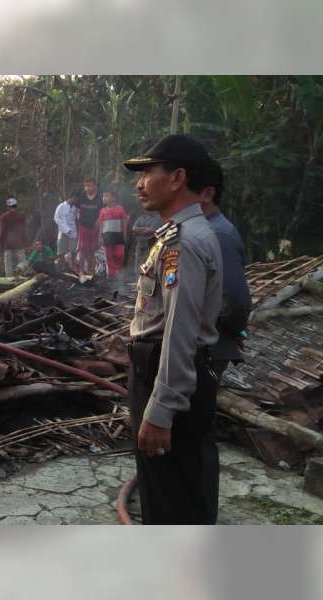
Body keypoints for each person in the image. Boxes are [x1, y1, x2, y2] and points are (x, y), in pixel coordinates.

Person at [123, 133, 223, 525]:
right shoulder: (179, 235)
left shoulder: (184, 243)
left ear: (178, 178)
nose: (139, 182)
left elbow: (180, 332)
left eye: (148, 172)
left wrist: (162, 410)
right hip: (169, 372)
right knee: (176, 486)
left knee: (169, 493)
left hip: (166, 375)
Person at [199, 159, 251, 379]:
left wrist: (231, 329)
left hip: (209, 345)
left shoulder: (218, 234)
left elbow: (237, 301)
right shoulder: (202, 230)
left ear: (207, 195)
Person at [96, 189, 129, 278]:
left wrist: (125, 235)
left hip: (118, 235)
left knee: (119, 255)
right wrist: (100, 237)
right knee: (109, 256)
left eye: (107, 196)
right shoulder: (102, 211)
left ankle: (119, 273)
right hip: (107, 236)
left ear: (113, 198)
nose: (104, 198)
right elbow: (101, 225)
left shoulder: (120, 208)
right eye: (103, 196)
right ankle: (111, 275)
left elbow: (124, 222)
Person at [76, 177, 103, 275]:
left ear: (95, 186)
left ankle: (91, 269)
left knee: (93, 249)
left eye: (89, 186)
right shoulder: (82, 196)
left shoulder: (100, 198)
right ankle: (81, 270)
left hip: (95, 228)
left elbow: (103, 212)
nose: (87, 188)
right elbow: (77, 210)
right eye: (85, 186)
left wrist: (99, 220)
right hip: (83, 227)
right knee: (83, 248)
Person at [0, 197, 27, 277]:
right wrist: (25, 244)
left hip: (8, 246)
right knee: (24, 263)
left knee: (8, 267)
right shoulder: (21, 216)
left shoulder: (4, 217)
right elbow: (24, 231)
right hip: (19, 245)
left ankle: (9, 282)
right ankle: (19, 274)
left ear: (7, 207)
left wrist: (1, 246)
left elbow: (2, 232)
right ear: (16, 206)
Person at [53, 190, 78, 267]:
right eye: (74, 198)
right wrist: (66, 228)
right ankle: (62, 266)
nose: (75, 200)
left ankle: (72, 266)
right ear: (70, 197)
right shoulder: (61, 206)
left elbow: (77, 218)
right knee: (61, 250)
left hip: (73, 230)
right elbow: (56, 218)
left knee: (73, 250)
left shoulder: (75, 208)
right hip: (63, 230)